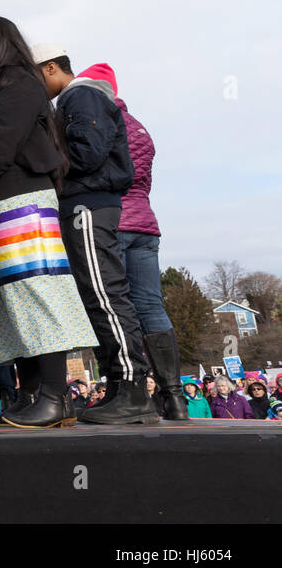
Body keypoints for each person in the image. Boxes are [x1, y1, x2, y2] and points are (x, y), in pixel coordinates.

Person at [0, 17, 99, 429]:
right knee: (8, 302)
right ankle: (28, 395)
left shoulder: (18, 81)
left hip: (20, 198)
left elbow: (3, 140)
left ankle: (55, 396)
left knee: (37, 290)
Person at [34, 46, 159, 426]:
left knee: (106, 292)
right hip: (84, 204)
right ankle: (120, 386)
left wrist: (44, 160)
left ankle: (135, 388)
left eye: (35, 75)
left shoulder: (81, 94)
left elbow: (88, 153)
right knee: (95, 295)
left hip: (89, 204)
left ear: (52, 67)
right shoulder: (75, 99)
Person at [71, 65, 188, 421]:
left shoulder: (97, 119)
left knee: (113, 302)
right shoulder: (139, 127)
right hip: (146, 226)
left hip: (113, 220)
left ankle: (125, 386)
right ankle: (174, 397)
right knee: (151, 307)